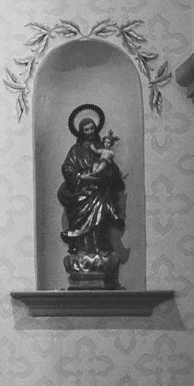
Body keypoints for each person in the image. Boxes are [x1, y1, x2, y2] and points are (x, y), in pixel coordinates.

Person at [58, 103, 125, 284]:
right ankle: (82, 249)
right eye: (86, 129)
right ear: (81, 131)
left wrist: (107, 172)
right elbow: (67, 168)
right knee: (79, 216)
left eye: (91, 128)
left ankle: (100, 248)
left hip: (99, 191)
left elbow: (112, 170)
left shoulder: (101, 147)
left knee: (100, 217)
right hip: (81, 191)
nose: (89, 131)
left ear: (96, 129)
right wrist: (80, 176)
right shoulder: (75, 150)